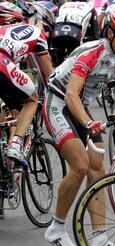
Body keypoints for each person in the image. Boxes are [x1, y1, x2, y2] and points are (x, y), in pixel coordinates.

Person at [43, 7, 115, 246]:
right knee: (80, 165)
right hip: (58, 102)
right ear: (109, 32)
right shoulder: (92, 53)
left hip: (79, 107)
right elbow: (71, 94)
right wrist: (88, 123)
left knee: (98, 167)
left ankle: (99, 240)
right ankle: (56, 228)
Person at [0, 1, 54, 165]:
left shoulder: (8, 29)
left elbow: (30, 63)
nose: (47, 33)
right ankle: (16, 144)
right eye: (47, 28)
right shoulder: (37, 33)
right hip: (2, 63)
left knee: (2, 122)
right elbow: (49, 76)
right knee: (32, 99)